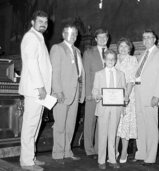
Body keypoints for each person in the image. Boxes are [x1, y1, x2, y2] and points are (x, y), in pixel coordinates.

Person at [19, 10, 52, 171]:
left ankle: (30, 157)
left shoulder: (39, 38)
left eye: (45, 22)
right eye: (40, 21)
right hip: (35, 90)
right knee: (30, 125)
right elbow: (32, 63)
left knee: (36, 125)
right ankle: (26, 161)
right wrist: (40, 86)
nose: (43, 24)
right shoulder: (31, 37)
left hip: (39, 90)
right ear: (33, 22)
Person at [50, 24, 85, 162]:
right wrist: (57, 91)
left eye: (75, 34)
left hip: (75, 93)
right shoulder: (57, 48)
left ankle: (67, 151)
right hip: (62, 93)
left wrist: (82, 92)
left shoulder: (77, 51)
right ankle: (58, 153)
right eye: (70, 33)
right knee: (60, 125)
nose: (73, 36)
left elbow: (80, 73)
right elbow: (54, 72)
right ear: (63, 34)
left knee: (71, 125)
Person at [134, 29, 159, 165]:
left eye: (149, 37)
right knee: (140, 126)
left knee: (151, 126)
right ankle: (141, 152)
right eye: (144, 38)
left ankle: (151, 156)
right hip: (138, 94)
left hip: (151, 96)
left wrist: (157, 95)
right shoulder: (142, 54)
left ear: (155, 39)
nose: (146, 40)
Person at [92, 49, 127, 169]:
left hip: (116, 109)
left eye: (113, 59)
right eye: (108, 59)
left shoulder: (121, 74)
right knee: (102, 134)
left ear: (115, 60)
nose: (110, 61)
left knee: (113, 134)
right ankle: (101, 160)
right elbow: (94, 91)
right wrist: (98, 96)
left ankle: (112, 159)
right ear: (104, 60)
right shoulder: (99, 74)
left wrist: (123, 105)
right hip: (103, 107)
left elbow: (123, 91)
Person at [83, 29, 109, 159]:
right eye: (100, 37)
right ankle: (89, 149)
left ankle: (99, 149)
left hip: (107, 95)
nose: (103, 39)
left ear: (107, 38)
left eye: (105, 37)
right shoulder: (89, 53)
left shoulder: (111, 53)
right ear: (96, 39)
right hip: (93, 93)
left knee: (102, 123)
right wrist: (87, 92)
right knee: (90, 121)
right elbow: (86, 74)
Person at [115, 38, 138, 163]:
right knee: (115, 124)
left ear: (130, 48)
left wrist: (126, 97)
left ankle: (124, 151)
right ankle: (114, 150)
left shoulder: (132, 60)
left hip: (127, 95)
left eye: (126, 46)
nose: (123, 48)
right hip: (113, 96)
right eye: (121, 46)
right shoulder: (114, 58)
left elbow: (131, 80)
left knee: (125, 125)